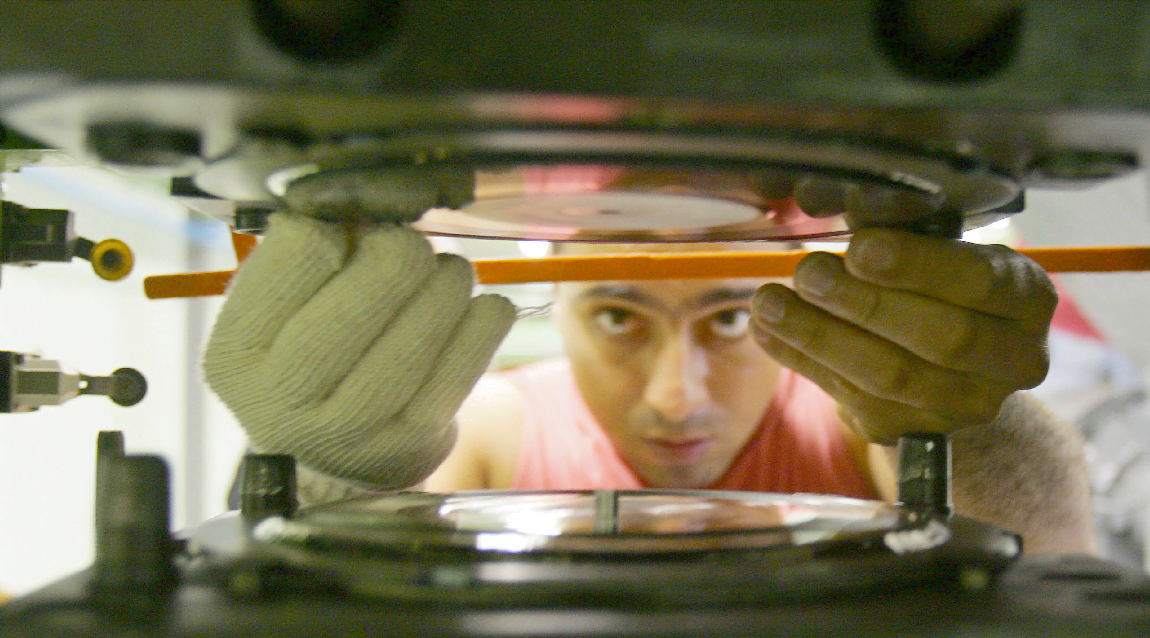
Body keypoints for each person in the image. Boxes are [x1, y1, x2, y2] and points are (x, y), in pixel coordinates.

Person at [203, 210, 1096, 554]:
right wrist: (327, 467)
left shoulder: (859, 421)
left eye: (733, 319)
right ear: (554, 293)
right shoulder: (492, 427)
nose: (677, 397)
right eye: (619, 317)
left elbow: (1052, 553)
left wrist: (970, 417)